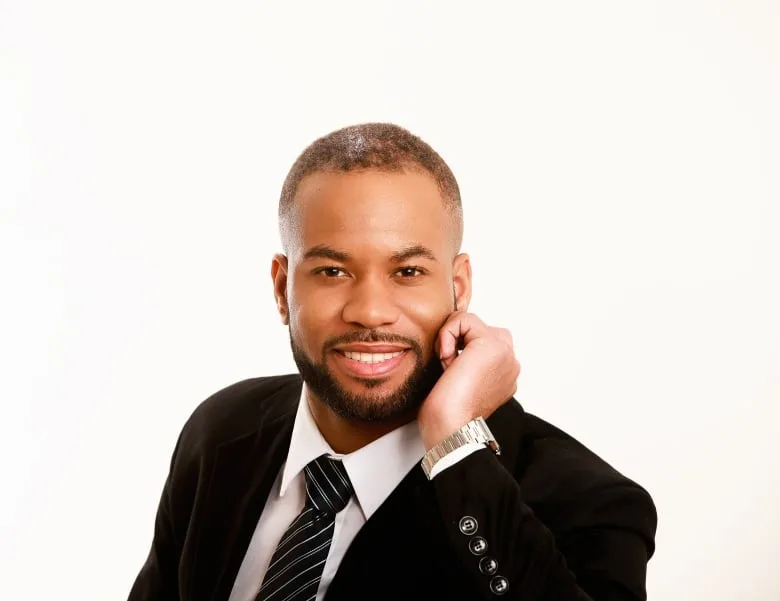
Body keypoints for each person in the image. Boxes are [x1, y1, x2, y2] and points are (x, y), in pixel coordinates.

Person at [128, 123, 657, 601]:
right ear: (281, 288)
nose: (370, 312)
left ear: (459, 287)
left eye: (407, 272)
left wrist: (454, 442)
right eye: (333, 271)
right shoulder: (219, 433)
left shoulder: (590, 506)